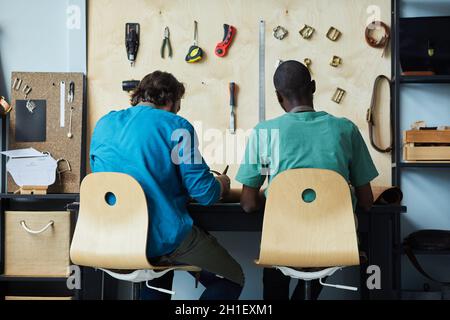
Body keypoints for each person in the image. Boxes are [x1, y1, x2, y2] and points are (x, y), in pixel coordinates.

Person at [90, 71, 244, 300]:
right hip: (160, 236)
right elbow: (205, 194)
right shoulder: (177, 126)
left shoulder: (104, 124)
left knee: (157, 270)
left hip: (115, 237)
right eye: (178, 105)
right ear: (171, 101)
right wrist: (221, 183)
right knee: (232, 278)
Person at [236, 60, 378, 300]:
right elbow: (366, 201)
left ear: (278, 97)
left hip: (283, 240)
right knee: (329, 250)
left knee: (276, 257)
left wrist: (276, 195)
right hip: (334, 241)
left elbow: (248, 204)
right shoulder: (346, 130)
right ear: (313, 87)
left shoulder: (264, 133)